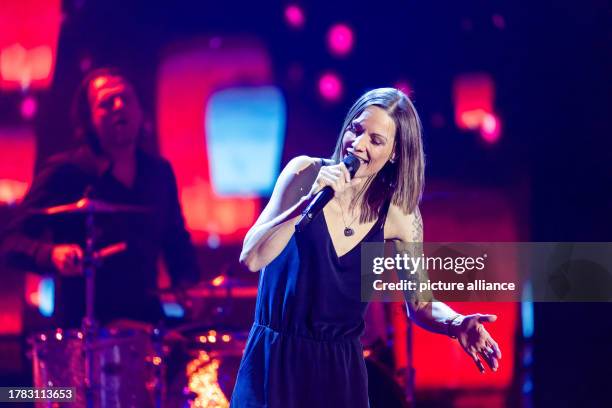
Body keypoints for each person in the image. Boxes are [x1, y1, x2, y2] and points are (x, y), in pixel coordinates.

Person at [231, 88, 502, 407]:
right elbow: (252, 257)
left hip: (338, 374)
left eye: (376, 140)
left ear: (396, 153)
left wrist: (456, 323)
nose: (358, 144)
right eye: (356, 129)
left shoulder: (399, 214)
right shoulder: (304, 174)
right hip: (274, 361)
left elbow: (421, 304)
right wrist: (305, 205)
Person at [0, 67, 199, 328]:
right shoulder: (64, 172)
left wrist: (189, 286)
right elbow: (11, 242)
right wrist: (51, 254)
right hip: (84, 329)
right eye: (107, 102)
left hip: (147, 324)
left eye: (126, 99)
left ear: (140, 111)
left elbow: (176, 243)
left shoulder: (158, 173)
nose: (119, 106)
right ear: (89, 119)